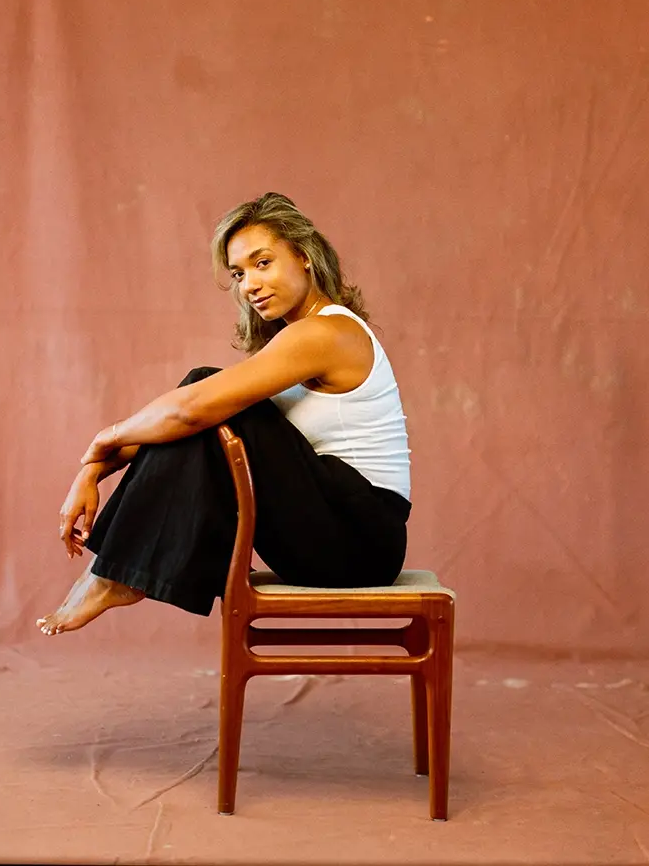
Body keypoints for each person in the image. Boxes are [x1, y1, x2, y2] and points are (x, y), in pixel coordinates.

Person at [37, 192, 412, 635]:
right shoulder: (294, 342)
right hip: (326, 533)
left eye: (263, 263)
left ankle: (113, 574)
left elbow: (191, 410)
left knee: (206, 390)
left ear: (305, 257)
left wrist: (104, 439)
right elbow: (189, 418)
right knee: (213, 404)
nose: (249, 283)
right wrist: (94, 470)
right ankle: (114, 572)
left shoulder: (327, 331)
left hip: (361, 541)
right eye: (238, 273)